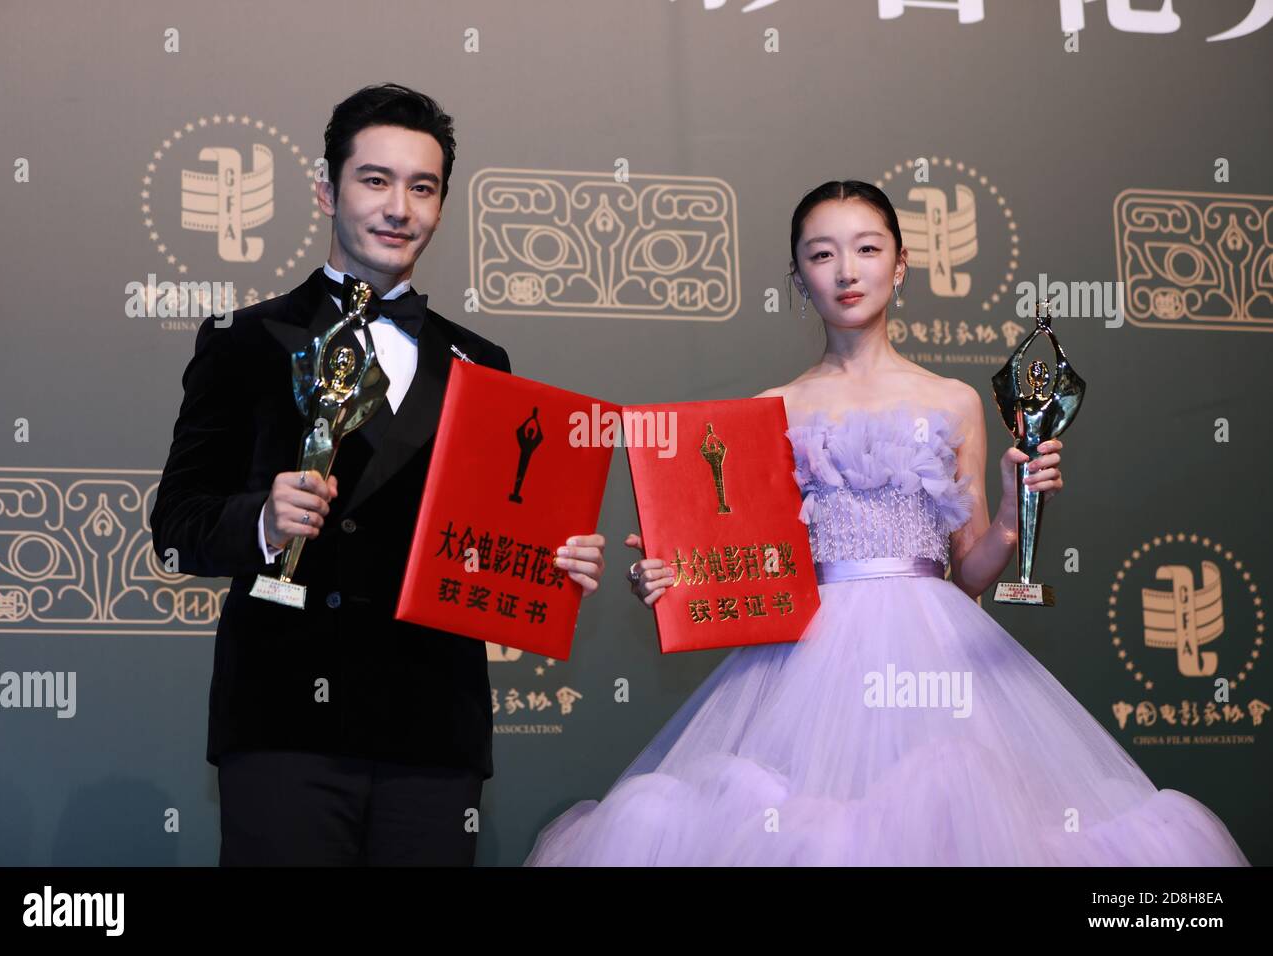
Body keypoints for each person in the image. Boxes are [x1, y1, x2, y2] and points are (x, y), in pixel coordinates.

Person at [523, 181, 1249, 866]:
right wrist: (676, 572)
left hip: (934, 653)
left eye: (868, 248)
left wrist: (1009, 512)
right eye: (821, 253)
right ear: (797, 276)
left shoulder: (954, 400)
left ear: (901, 265)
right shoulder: (768, 409)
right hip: (799, 668)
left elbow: (967, 576)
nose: (846, 269)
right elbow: (752, 569)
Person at [150, 84, 606, 866]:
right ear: (327, 190)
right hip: (285, 722)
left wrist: (549, 564)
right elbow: (177, 525)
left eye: (422, 188)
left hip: (434, 730)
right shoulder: (244, 340)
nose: (399, 207)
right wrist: (261, 520)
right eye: (375, 180)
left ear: (441, 204)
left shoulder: (482, 362)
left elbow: (491, 534)